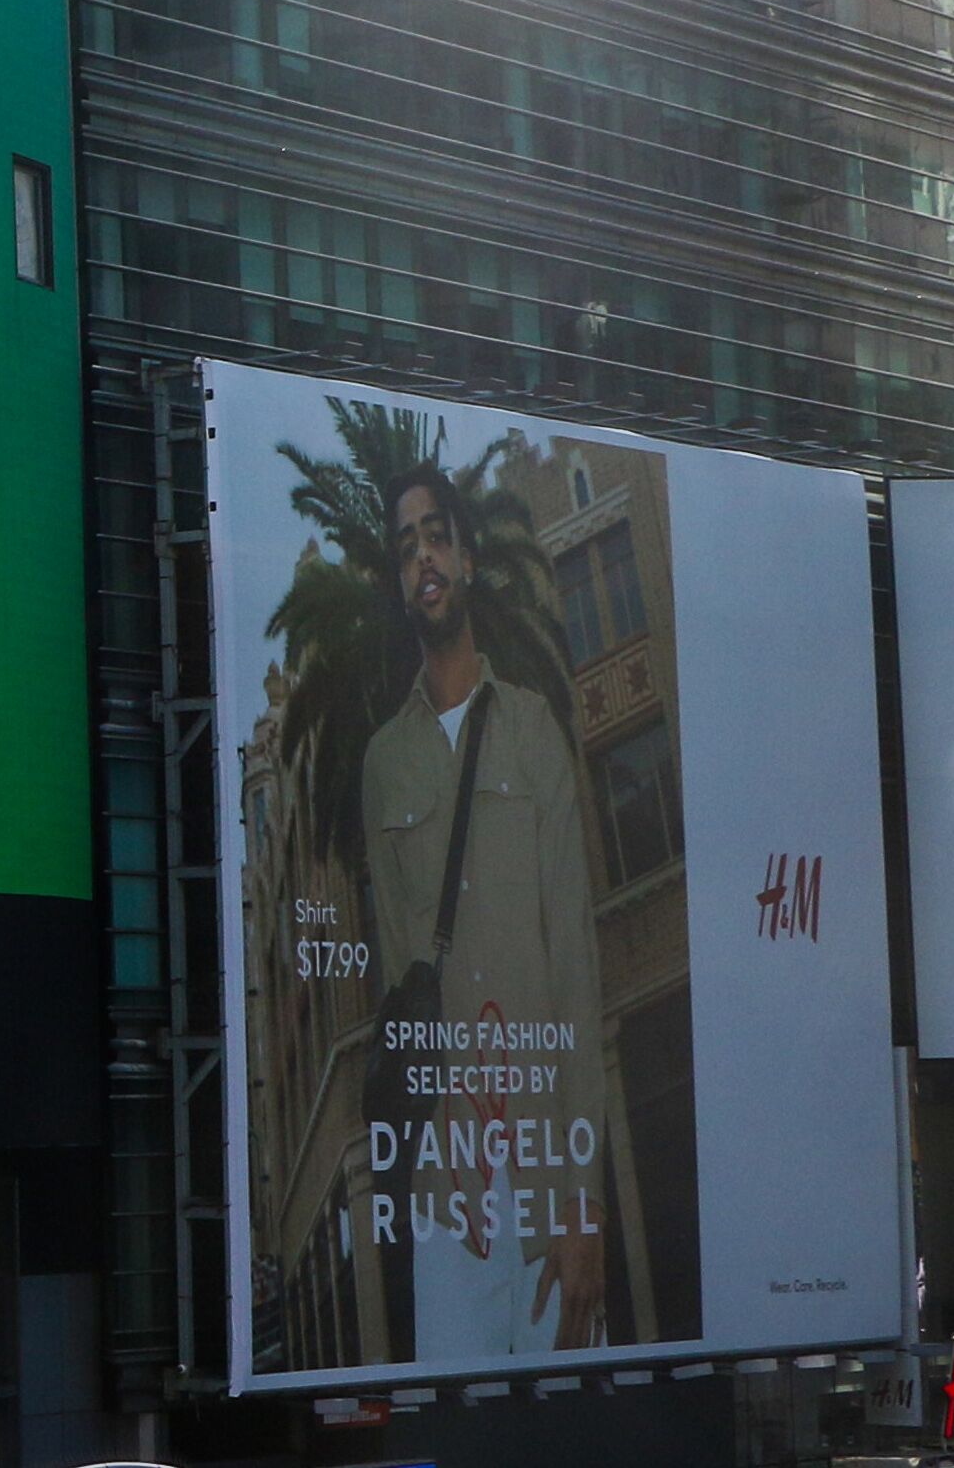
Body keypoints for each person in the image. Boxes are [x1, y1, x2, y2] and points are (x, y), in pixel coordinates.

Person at [360, 461, 612, 1359]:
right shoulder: (382, 765)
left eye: (435, 536)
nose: (422, 558)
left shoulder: (532, 726)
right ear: (399, 582)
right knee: (455, 1426)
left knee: (570, 1421)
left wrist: (583, 1202)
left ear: (465, 558)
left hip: (547, 1187)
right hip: (446, 1208)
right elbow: (401, 989)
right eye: (405, 548)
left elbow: (574, 969)